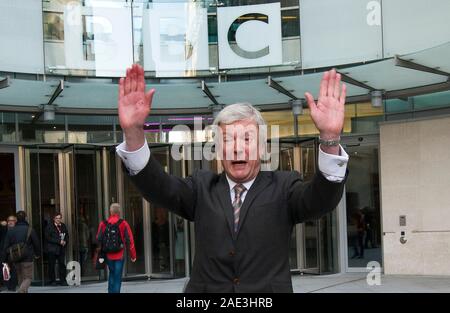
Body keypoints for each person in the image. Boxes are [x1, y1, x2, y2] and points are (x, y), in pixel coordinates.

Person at [116, 64, 349, 292]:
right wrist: (133, 132)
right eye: (228, 140)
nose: (237, 149)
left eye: (247, 139)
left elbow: (321, 200)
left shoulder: (284, 187)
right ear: (217, 149)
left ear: (262, 147)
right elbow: (158, 187)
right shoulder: (201, 188)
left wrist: (330, 138)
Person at [96, 203, 136, 293]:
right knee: (118, 276)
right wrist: (133, 255)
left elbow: (98, 238)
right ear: (119, 212)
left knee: (111, 274)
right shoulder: (123, 223)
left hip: (108, 255)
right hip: (120, 254)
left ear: (110, 212)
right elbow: (130, 240)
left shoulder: (103, 223)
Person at [1, 211, 41, 293]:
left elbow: (5, 246)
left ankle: (22, 290)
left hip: (15, 257)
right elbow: (36, 243)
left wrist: (4, 260)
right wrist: (37, 254)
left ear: (17, 219)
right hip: (28, 257)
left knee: (20, 277)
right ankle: (21, 290)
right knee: (28, 277)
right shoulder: (30, 229)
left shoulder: (11, 231)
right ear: (25, 218)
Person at [45, 213, 69, 286]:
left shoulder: (63, 225)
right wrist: (59, 241)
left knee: (62, 264)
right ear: (54, 219)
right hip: (52, 249)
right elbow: (48, 238)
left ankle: (63, 280)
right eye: (57, 218)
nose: (58, 220)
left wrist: (65, 241)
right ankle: (52, 281)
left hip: (61, 249)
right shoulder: (49, 226)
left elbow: (67, 235)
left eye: (59, 218)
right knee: (51, 265)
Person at [3, 216, 18, 291]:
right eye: (9, 220)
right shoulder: (4, 230)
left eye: (12, 220)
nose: (10, 222)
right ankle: (7, 285)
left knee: (14, 271)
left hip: (15, 253)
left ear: (16, 221)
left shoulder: (18, 230)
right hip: (5, 253)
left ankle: (12, 287)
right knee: (5, 270)